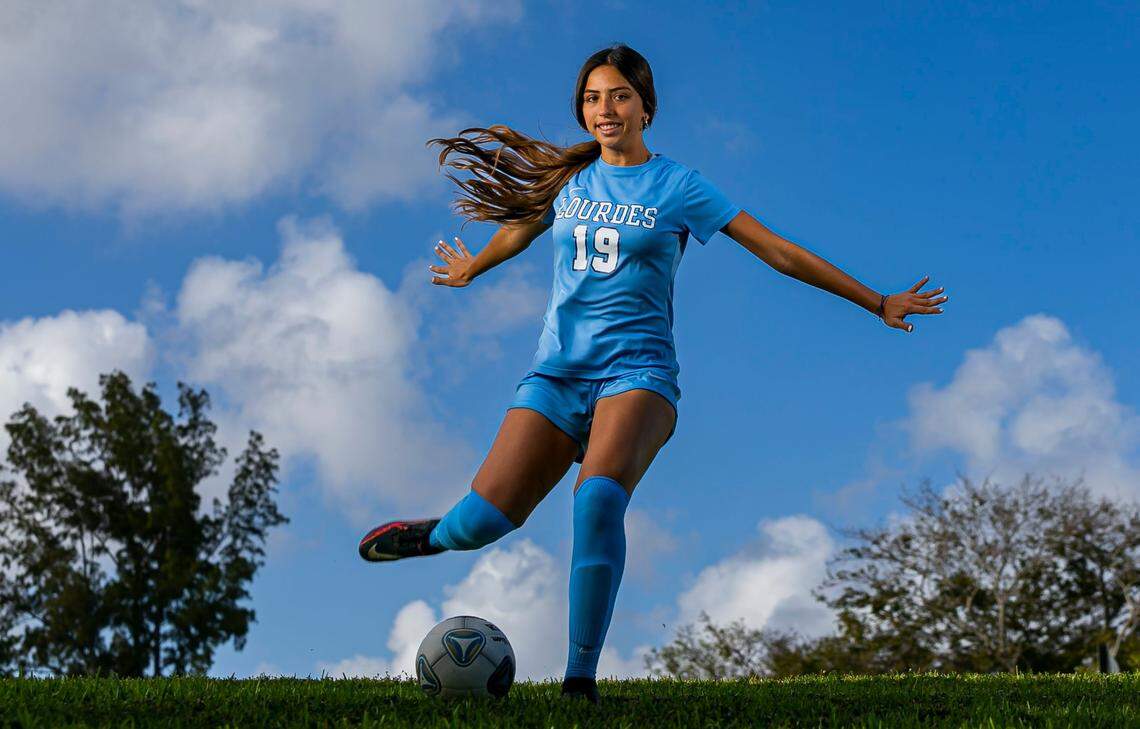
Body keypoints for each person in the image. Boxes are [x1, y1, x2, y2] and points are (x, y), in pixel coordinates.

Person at [358, 44, 946, 703]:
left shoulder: (679, 187)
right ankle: (432, 535)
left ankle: (579, 680)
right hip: (556, 377)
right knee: (481, 524)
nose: (605, 109)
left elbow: (777, 251)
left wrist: (875, 301)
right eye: (592, 98)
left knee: (597, 498)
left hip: (638, 377)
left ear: (646, 107)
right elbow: (520, 230)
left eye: (619, 96)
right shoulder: (568, 182)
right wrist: (474, 267)